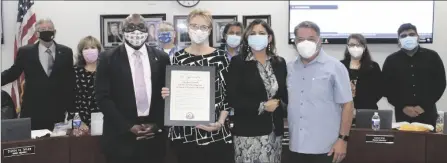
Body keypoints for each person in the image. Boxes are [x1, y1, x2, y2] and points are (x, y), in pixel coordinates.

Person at [95, 13, 171, 163]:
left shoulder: (161, 57)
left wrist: (157, 124)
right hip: (120, 138)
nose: (136, 31)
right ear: (122, 31)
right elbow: (102, 98)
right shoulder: (107, 59)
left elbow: (167, 95)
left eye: (141, 27)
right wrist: (128, 126)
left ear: (148, 31)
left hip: (153, 138)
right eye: (131, 27)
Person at [161, 9, 233, 163]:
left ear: (210, 30)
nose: (198, 30)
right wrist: (167, 95)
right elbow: (174, 94)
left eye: (203, 27)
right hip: (184, 134)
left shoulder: (221, 57)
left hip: (215, 132)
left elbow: (229, 95)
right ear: (187, 27)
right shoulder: (178, 58)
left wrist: (220, 122)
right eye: (194, 26)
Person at [287, 21, 354, 163]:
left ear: (320, 41)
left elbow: (347, 105)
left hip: (326, 149)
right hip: (295, 147)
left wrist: (343, 140)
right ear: (295, 42)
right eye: (300, 39)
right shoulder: (289, 68)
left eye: (310, 39)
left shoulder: (335, 67)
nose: (305, 43)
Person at [227, 19, 287, 163]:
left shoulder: (279, 62)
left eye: (261, 33)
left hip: (274, 133)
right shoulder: (238, 62)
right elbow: (232, 98)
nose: (257, 36)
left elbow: (283, 94)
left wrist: (280, 103)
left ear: (269, 38)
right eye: (252, 33)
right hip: (248, 132)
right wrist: (262, 106)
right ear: (247, 38)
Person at [1, 18, 75, 130]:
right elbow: (13, 72)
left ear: (55, 32)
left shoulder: (66, 52)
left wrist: (72, 109)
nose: (47, 31)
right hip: (33, 109)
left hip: (57, 110)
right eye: (43, 29)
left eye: (50, 28)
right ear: (36, 33)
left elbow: (70, 81)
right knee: (34, 145)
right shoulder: (25, 52)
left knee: (56, 145)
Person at [383, 23, 446, 128]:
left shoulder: (432, 56)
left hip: (428, 112)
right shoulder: (391, 60)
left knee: (429, 143)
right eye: (403, 36)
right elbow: (386, 87)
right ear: (399, 40)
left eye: (411, 34)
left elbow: (440, 84)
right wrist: (403, 107)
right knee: (406, 143)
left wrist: (424, 106)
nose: (408, 37)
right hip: (403, 114)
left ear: (418, 37)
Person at [67, 36, 102, 127]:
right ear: (81, 52)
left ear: (98, 50)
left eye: (93, 47)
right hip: (79, 122)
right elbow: (70, 101)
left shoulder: (106, 71)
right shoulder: (74, 72)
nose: (90, 50)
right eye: (86, 48)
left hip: (103, 121)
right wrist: (77, 123)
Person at [340, 34, 382, 110]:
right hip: (344, 110)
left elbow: (379, 91)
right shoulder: (340, 66)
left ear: (364, 47)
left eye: (359, 45)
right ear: (347, 47)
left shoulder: (373, 66)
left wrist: (361, 108)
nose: (355, 47)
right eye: (352, 45)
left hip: (367, 110)